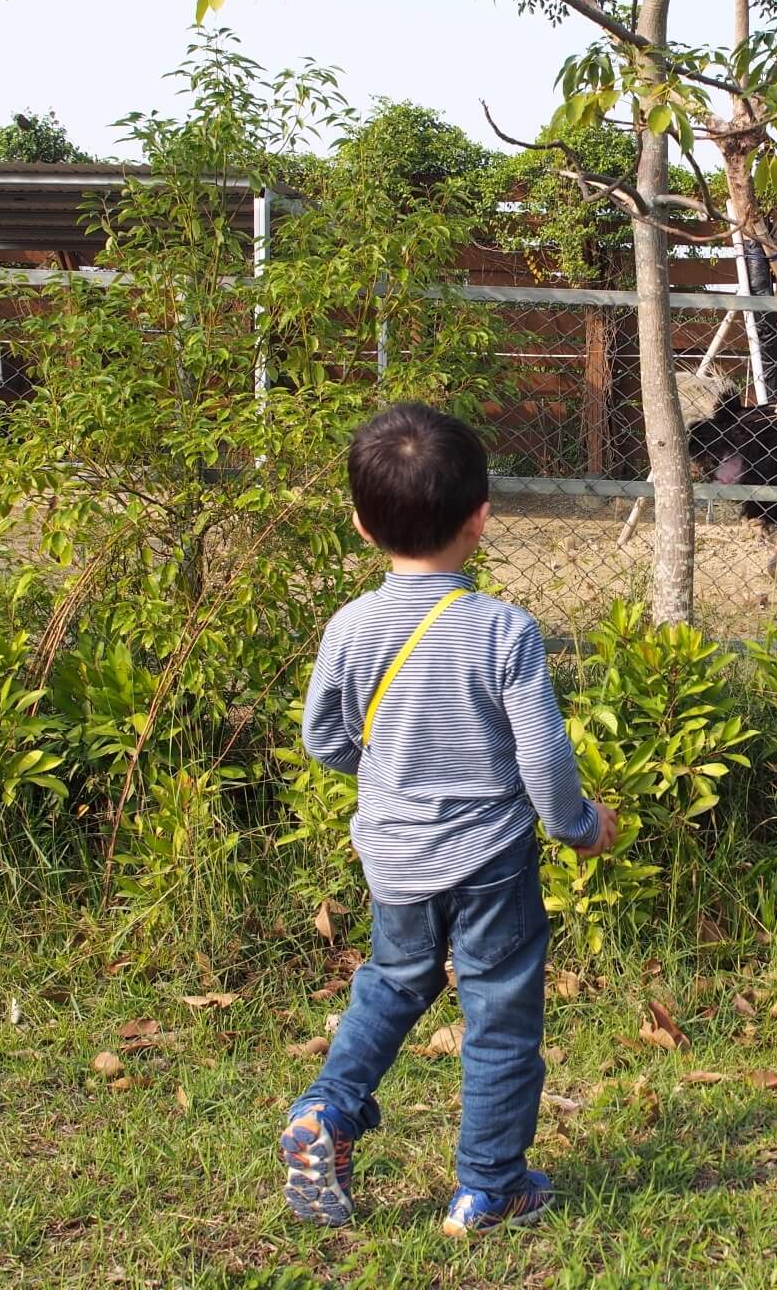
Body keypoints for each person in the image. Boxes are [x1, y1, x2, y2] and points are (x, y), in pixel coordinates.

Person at [281, 401, 616, 1236]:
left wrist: (392, 776)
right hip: (491, 858)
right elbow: (541, 757)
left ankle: (328, 1108)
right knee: (500, 1017)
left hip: (393, 853)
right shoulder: (503, 631)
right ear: (482, 519)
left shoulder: (349, 627)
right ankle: (489, 1187)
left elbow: (323, 739)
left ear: (361, 525)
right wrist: (578, 825)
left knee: (394, 982)